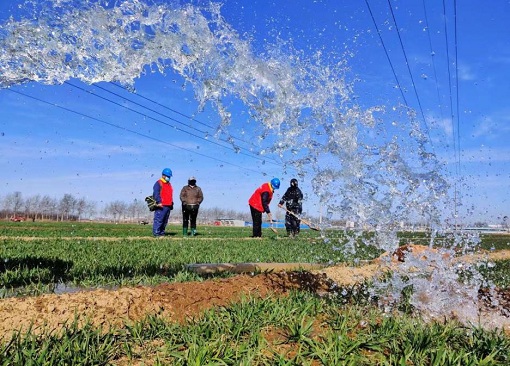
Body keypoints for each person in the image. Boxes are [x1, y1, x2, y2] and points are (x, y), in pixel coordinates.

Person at [152, 168, 174, 237]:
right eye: (168, 176)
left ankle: (162, 233)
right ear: (163, 175)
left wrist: (171, 203)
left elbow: (169, 194)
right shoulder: (158, 183)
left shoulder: (169, 184)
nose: (169, 178)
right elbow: (156, 193)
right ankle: (156, 233)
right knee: (159, 220)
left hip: (168, 205)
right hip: (161, 205)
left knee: (165, 221)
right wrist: (159, 202)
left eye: (169, 176)